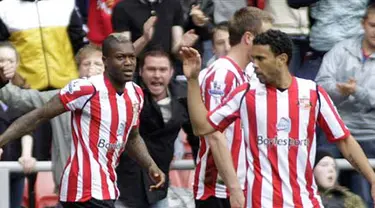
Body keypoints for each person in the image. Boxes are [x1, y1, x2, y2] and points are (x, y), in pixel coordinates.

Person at [180, 29, 375, 208]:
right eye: (252, 58)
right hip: (259, 203)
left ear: (281, 59)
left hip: (305, 202)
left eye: (260, 58)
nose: (254, 65)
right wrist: (192, 81)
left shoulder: (312, 92)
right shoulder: (246, 94)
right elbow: (202, 128)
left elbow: (344, 140)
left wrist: (372, 179)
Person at [0, 33, 165, 208]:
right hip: (82, 189)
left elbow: (132, 137)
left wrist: (150, 165)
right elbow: (39, 115)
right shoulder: (86, 88)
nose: (128, 62)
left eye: (131, 57)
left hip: (107, 187)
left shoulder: (135, 93)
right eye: (120, 57)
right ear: (106, 61)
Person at [192, 7, 273, 208]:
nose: (271, 45)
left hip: (242, 186)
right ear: (248, 38)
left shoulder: (247, 75)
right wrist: (234, 188)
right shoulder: (222, 74)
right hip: (219, 190)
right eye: (266, 37)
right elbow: (214, 133)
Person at [0, 44, 104, 190]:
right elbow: (19, 99)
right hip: (68, 189)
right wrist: (2, 80)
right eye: (86, 64)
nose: (91, 68)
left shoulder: (121, 99)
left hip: (106, 188)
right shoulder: (62, 97)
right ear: (78, 70)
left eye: (98, 64)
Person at [115, 50, 197, 208]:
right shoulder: (128, 96)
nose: (157, 75)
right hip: (124, 187)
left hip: (159, 188)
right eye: (151, 69)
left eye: (162, 70)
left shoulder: (182, 100)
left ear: (172, 72)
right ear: (140, 72)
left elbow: (196, 138)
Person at [315, 4, 375, 207]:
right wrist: (339, 91)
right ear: (362, 24)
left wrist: (357, 92)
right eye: (373, 25)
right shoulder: (341, 49)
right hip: (337, 129)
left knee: (365, 199)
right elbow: (319, 86)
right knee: (320, 186)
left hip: (370, 134)